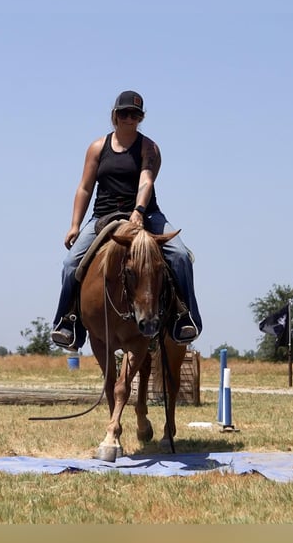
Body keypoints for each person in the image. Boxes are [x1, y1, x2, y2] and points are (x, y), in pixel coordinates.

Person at [50, 90, 202, 352]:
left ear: (141, 118)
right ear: (114, 116)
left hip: (147, 215)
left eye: (135, 114)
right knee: (69, 263)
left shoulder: (149, 148)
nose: (129, 119)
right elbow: (85, 188)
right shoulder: (98, 147)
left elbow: (146, 180)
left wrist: (139, 210)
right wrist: (75, 224)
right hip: (104, 216)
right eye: (124, 113)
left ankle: (184, 317)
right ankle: (67, 322)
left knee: (179, 255)